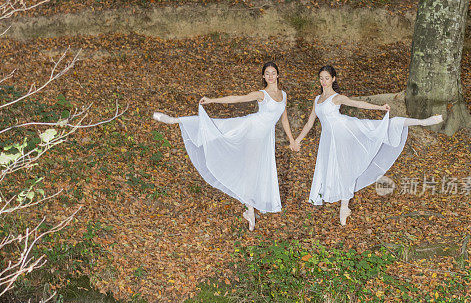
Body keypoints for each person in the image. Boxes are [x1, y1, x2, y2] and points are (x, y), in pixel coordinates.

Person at [153, 62, 297, 230]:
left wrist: (292, 139)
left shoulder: (283, 95)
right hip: (251, 130)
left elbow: (284, 119)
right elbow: (236, 99)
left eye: (273, 73)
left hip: (265, 137)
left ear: (278, 75)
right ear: (263, 77)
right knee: (218, 128)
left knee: (255, 169)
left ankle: (250, 208)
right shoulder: (261, 94)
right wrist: (212, 100)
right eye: (267, 73)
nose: (271, 76)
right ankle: (175, 120)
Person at [294, 65, 442, 225]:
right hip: (329, 139)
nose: (324, 81)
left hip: (346, 131)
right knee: (342, 169)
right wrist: (297, 140)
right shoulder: (317, 100)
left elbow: (358, 104)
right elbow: (309, 123)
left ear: (333, 79)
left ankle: (423, 121)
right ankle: (344, 208)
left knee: (385, 126)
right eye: (321, 78)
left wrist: (380, 107)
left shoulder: (337, 97)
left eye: (327, 78)